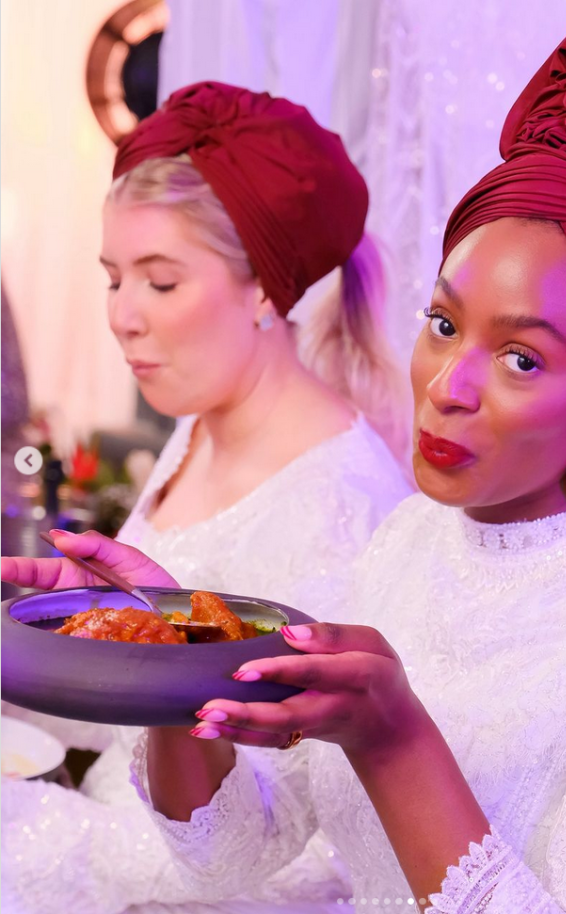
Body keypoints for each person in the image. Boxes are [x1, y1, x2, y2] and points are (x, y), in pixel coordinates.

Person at [4, 1, 566, 911]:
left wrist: (395, 739)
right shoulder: (407, 544)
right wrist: (171, 648)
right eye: (443, 324)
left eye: (521, 358)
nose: (448, 383)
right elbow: (237, 857)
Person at [1, 83, 412, 914]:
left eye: (160, 283)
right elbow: (142, 703)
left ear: (261, 288)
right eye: (113, 278)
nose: (122, 317)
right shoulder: (199, 426)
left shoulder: (339, 503)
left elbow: (314, 855)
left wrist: (40, 834)